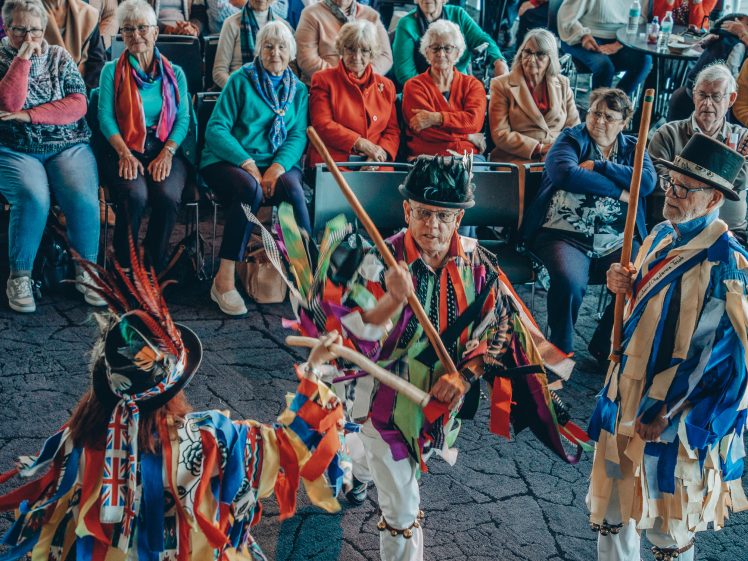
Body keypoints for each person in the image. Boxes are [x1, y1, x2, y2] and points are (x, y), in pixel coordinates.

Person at [269, 155, 583, 561]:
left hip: (437, 401)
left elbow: (499, 328)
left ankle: (354, 470)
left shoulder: (480, 266)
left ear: (459, 218)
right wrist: (392, 300)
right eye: (423, 213)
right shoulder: (376, 258)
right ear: (406, 211)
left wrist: (466, 376)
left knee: (375, 460)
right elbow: (356, 334)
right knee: (402, 503)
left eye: (443, 216)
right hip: (382, 394)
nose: (432, 226)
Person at [0, 245, 347, 560]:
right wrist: (315, 368)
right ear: (174, 387)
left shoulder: (81, 441)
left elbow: (55, 524)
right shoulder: (212, 441)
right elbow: (291, 440)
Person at [587, 132, 748, 561]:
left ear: (714, 199)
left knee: (666, 518)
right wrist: (623, 282)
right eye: (670, 181)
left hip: (677, 411)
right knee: (614, 504)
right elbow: (642, 310)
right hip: (626, 390)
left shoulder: (725, 261)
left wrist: (668, 411)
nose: (670, 193)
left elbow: (719, 354)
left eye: (683, 188)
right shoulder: (660, 233)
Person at [522, 87, 657, 356]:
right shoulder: (572, 138)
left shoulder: (633, 147)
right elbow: (564, 173)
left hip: (615, 239)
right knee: (569, 281)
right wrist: (619, 191)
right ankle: (560, 352)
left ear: (623, 123)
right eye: (595, 113)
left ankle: (604, 345)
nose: (599, 121)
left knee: (643, 277)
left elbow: (647, 182)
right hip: (565, 234)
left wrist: (601, 166)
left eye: (609, 117)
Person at [0, 0, 104, 313]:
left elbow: (77, 105)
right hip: (13, 147)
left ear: (43, 29)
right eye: (20, 30)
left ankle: (87, 271)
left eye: (34, 30)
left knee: (82, 196)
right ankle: (20, 276)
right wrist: (22, 60)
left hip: (67, 144)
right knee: (34, 197)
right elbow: (8, 101)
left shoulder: (59, 56)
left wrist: (29, 116)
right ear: (7, 28)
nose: (29, 37)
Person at [201, 21, 309, 315]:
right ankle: (223, 281)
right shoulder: (241, 80)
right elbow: (216, 129)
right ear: (259, 50)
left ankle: (305, 279)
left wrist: (276, 167)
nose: (275, 52)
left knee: (294, 190)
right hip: (229, 159)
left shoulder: (298, 90)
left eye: (282, 47)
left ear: (292, 53)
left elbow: (298, 135)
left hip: (275, 161)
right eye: (269, 46)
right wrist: (248, 163)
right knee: (250, 191)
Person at [98, 0, 192, 272]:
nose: (135, 35)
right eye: (128, 29)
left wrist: (167, 153)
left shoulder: (176, 73)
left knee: (167, 195)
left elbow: (183, 118)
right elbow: (105, 117)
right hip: (123, 145)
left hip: (165, 146)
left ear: (155, 32)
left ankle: (153, 260)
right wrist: (124, 153)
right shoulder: (110, 71)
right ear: (121, 35)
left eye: (142, 28)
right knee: (134, 195)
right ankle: (125, 262)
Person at [650, 63, 748, 243]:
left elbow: (742, 182)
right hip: (677, 226)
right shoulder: (668, 133)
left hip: (730, 232)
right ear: (694, 95)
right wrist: (728, 166)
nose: (707, 103)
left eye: (716, 96)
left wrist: (686, 184)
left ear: (732, 99)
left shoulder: (742, 137)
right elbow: (656, 179)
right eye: (702, 95)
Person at [307, 20, 399, 167]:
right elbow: (322, 124)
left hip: (377, 162)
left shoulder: (386, 86)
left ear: (372, 53)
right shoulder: (323, 79)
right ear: (341, 49)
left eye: (364, 50)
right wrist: (359, 143)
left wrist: (380, 154)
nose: (356, 56)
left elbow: (392, 131)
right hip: (335, 162)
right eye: (350, 49)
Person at [488, 28, 579, 164]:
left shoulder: (562, 83)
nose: (531, 59)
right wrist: (539, 148)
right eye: (528, 52)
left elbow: (574, 127)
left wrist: (557, 148)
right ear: (521, 53)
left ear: (551, 58)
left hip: (557, 154)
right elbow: (500, 133)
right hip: (517, 157)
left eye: (540, 54)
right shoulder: (501, 84)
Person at [401, 20, 486, 159]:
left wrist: (436, 118)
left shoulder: (473, 85)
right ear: (426, 52)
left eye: (447, 48)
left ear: (458, 52)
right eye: (435, 48)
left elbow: (473, 122)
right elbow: (425, 131)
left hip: (467, 158)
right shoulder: (413, 86)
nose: (441, 54)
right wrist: (468, 136)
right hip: (426, 158)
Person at [392, 0, 507, 87]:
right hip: (423, 89)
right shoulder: (406, 25)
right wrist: (439, 91)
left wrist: (499, 61)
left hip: (460, 83)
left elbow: (481, 39)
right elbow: (405, 74)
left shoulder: (458, 15)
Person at [557, 0, 653, 97]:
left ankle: (615, 104)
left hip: (622, 38)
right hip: (581, 36)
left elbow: (640, 20)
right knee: (604, 66)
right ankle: (598, 109)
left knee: (645, 60)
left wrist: (619, 43)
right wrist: (583, 35)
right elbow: (565, 18)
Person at [668, 13, 748, 121]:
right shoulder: (736, 45)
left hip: (691, 88)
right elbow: (731, 73)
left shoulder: (718, 38)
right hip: (710, 93)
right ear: (731, 24)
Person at [295, 0, 391, 84]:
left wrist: (363, 77)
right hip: (324, 85)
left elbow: (385, 56)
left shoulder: (371, 15)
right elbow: (306, 59)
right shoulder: (311, 14)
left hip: (365, 87)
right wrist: (342, 78)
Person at [212, 0, 290, 89]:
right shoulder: (231, 24)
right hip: (240, 89)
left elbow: (290, 70)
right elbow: (219, 72)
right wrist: (239, 91)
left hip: (274, 92)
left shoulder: (284, 27)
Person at [41, 0, 106, 89]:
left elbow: (97, 63)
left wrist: (83, 95)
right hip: (41, 93)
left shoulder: (87, 13)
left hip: (82, 90)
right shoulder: (26, 11)